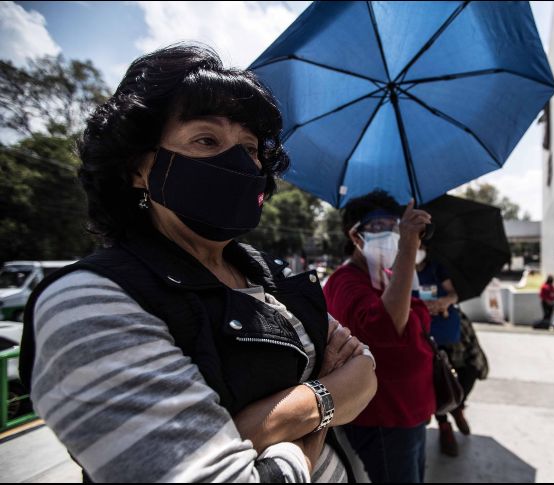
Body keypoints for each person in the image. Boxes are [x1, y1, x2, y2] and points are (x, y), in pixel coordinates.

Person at [18, 43, 378, 483]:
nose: (238, 163)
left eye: (249, 148)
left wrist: (262, 426)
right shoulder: (88, 302)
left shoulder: (268, 271)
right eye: (206, 140)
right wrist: (319, 417)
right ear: (138, 167)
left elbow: (363, 371)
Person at [323, 190, 435, 483]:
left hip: (411, 410)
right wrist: (408, 248)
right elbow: (384, 328)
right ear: (355, 236)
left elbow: (414, 320)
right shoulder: (345, 282)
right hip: (384, 419)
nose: (389, 233)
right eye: (377, 226)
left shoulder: (386, 276)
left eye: (393, 226)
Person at [415, 244, 483, 457]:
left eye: (421, 243)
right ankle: (444, 425)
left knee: (469, 369)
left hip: (449, 329)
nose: (416, 248)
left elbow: (453, 294)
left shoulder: (437, 268)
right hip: (422, 332)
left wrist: (444, 302)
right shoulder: (399, 271)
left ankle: (457, 406)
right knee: (434, 381)